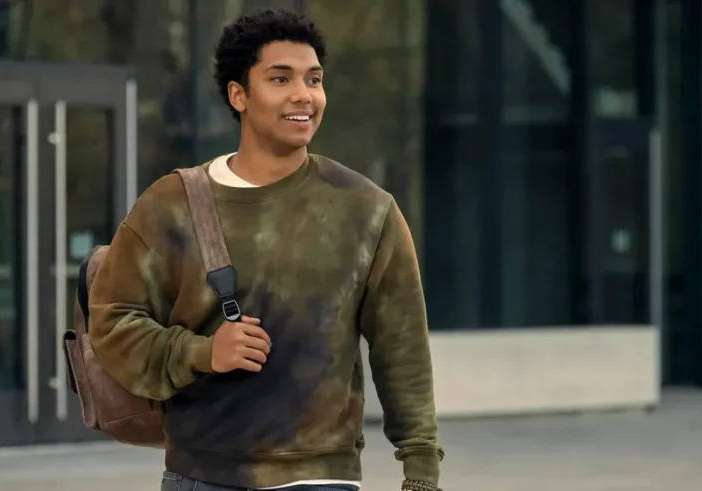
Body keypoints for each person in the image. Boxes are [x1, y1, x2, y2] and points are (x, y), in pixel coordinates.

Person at [88, 8, 443, 491]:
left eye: (313, 80)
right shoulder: (170, 206)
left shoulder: (366, 210)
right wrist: (202, 352)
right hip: (202, 475)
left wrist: (421, 471)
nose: (304, 95)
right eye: (281, 78)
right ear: (239, 95)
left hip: (321, 477)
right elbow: (111, 320)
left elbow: (403, 350)